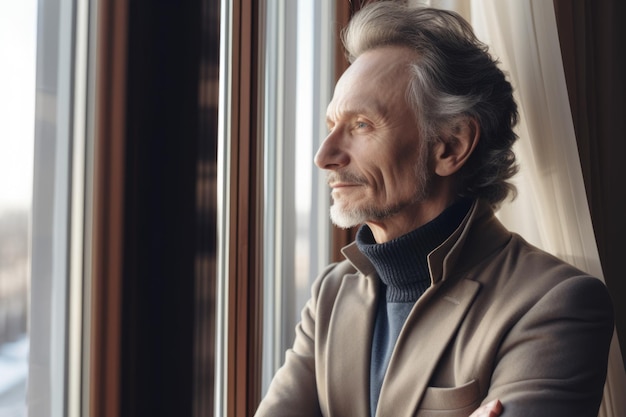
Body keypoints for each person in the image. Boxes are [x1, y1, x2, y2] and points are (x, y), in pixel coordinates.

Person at [255, 3, 614, 417]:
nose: (324, 155)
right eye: (331, 125)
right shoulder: (330, 294)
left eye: (361, 125)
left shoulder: (555, 303)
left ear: (451, 145)